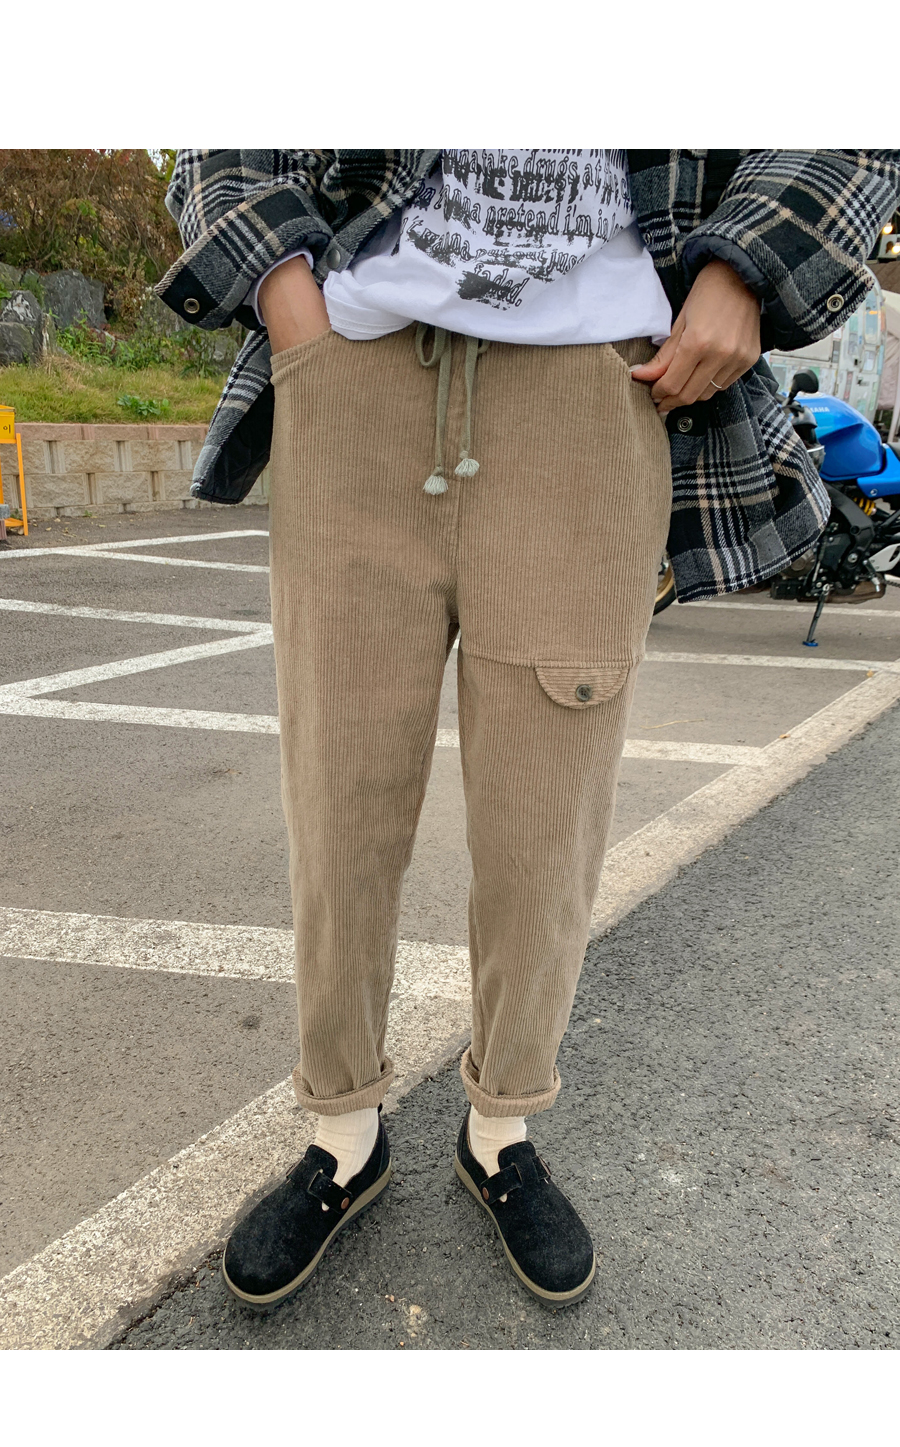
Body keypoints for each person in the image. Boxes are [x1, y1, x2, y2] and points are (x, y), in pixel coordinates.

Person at [157, 149, 899, 1309]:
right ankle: (343, 1133)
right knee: (337, 786)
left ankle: (500, 1126)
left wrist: (749, 267)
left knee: (547, 812)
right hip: (355, 369)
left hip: (595, 390)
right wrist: (289, 302)